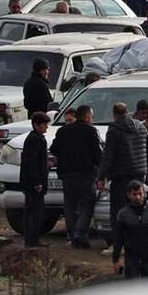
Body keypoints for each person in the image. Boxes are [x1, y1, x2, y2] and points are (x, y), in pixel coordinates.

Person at [96, 102, 148, 228]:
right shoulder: (141, 128)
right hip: (139, 174)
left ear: (114, 114)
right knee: (138, 207)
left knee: (119, 210)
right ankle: (138, 236)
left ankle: (119, 241)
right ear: (127, 111)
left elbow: (108, 155)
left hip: (121, 176)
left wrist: (101, 176)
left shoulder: (114, 130)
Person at [50, 103, 100, 249]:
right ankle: (79, 234)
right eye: (91, 116)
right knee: (87, 205)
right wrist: (101, 171)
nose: (92, 119)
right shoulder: (91, 131)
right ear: (87, 117)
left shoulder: (63, 131)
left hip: (67, 174)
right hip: (86, 174)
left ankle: (72, 236)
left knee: (70, 206)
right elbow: (97, 154)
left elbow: (54, 149)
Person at [112, 180, 148, 279]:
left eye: (140, 194)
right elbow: (118, 238)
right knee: (132, 288)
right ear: (129, 195)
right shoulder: (123, 214)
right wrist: (115, 259)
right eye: (134, 194)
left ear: (144, 194)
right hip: (132, 256)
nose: (137, 197)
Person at [20, 111, 51, 248]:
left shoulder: (34, 138)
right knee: (35, 212)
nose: (46, 127)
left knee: (31, 210)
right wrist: (37, 182)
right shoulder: (35, 140)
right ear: (36, 125)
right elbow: (32, 163)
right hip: (33, 182)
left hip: (30, 181)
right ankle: (32, 239)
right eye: (44, 124)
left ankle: (30, 239)